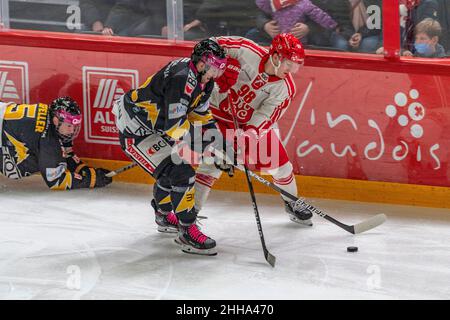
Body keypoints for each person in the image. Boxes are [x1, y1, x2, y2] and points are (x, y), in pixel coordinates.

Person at [112, 39, 228, 256]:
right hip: (136, 132)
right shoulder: (181, 78)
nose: (218, 72)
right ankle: (187, 232)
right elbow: (175, 128)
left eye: (220, 67)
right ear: (202, 63)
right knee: (181, 172)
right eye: (215, 66)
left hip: (154, 128)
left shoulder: (204, 81)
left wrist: (220, 143)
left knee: (170, 172)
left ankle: (164, 215)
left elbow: (201, 116)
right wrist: (206, 147)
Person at [194, 33, 314, 227]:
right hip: (216, 115)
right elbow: (210, 44)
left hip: (246, 125)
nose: (292, 70)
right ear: (275, 56)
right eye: (289, 64)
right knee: (212, 164)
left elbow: (265, 118)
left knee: (282, 167)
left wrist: (245, 141)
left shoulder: (285, 89)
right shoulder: (246, 50)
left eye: (296, 66)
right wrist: (219, 65)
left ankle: (292, 202)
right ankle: (189, 215)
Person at [0, 97, 112, 189]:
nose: (72, 130)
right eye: (69, 126)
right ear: (56, 121)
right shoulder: (48, 140)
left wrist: (83, 169)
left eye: (74, 126)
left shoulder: (48, 113)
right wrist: (92, 180)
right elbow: (56, 181)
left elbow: (64, 153)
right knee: (29, 163)